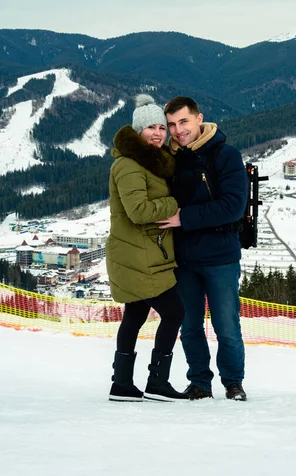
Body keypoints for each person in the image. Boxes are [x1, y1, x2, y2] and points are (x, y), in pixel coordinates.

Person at [158, 96, 248, 401]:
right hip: (183, 259)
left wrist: (184, 217)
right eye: (171, 124)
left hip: (220, 256)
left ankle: (233, 382)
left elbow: (233, 206)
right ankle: (199, 382)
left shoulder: (225, 155)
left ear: (199, 119)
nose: (178, 130)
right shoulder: (169, 161)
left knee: (226, 325)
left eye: (184, 121)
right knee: (190, 326)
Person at [106, 94, 188, 402]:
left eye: (161, 127)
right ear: (137, 131)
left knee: (135, 315)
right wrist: (174, 203)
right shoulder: (128, 165)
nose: (157, 133)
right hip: (138, 256)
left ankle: (122, 384)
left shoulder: (149, 163)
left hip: (140, 254)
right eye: (150, 128)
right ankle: (156, 381)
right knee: (174, 312)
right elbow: (138, 211)